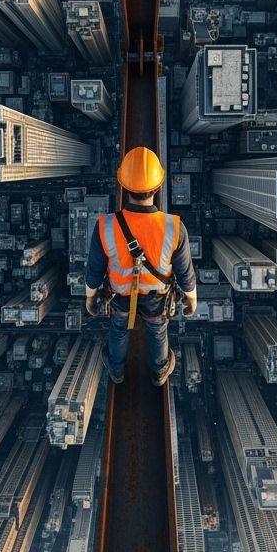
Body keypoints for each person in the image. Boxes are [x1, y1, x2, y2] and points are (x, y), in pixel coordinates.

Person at [84, 146, 198, 386]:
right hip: (157, 298)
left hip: (119, 295)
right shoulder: (174, 227)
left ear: (123, 186)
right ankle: (159, 373)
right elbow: (185, 273)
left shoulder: (105, 226)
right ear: (158, 187)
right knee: (158, 331)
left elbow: (94, 270)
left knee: (119, 329)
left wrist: (90, 299)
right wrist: (191, 300)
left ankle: (117, 371)